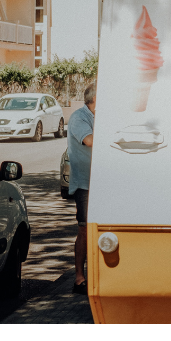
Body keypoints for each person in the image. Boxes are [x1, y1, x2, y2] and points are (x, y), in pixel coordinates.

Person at [67, 84, 95, 294]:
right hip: (86, 184)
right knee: (85, 229)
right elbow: (90, 140)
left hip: (102, 181)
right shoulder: (79, 118)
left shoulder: (99, 116)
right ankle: (79, 277)